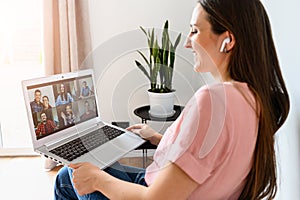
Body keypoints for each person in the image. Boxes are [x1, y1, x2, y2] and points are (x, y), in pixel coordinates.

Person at [54, 0, 290, 199]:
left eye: (195, 31)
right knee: (73, 173)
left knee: (67, 178)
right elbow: (212, 156)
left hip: (158, 191)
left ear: (227, 40)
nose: (187, 42)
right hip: (178, 185)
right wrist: (158, 138)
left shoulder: (213, 100)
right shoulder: (253, 98)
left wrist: (97, 180)